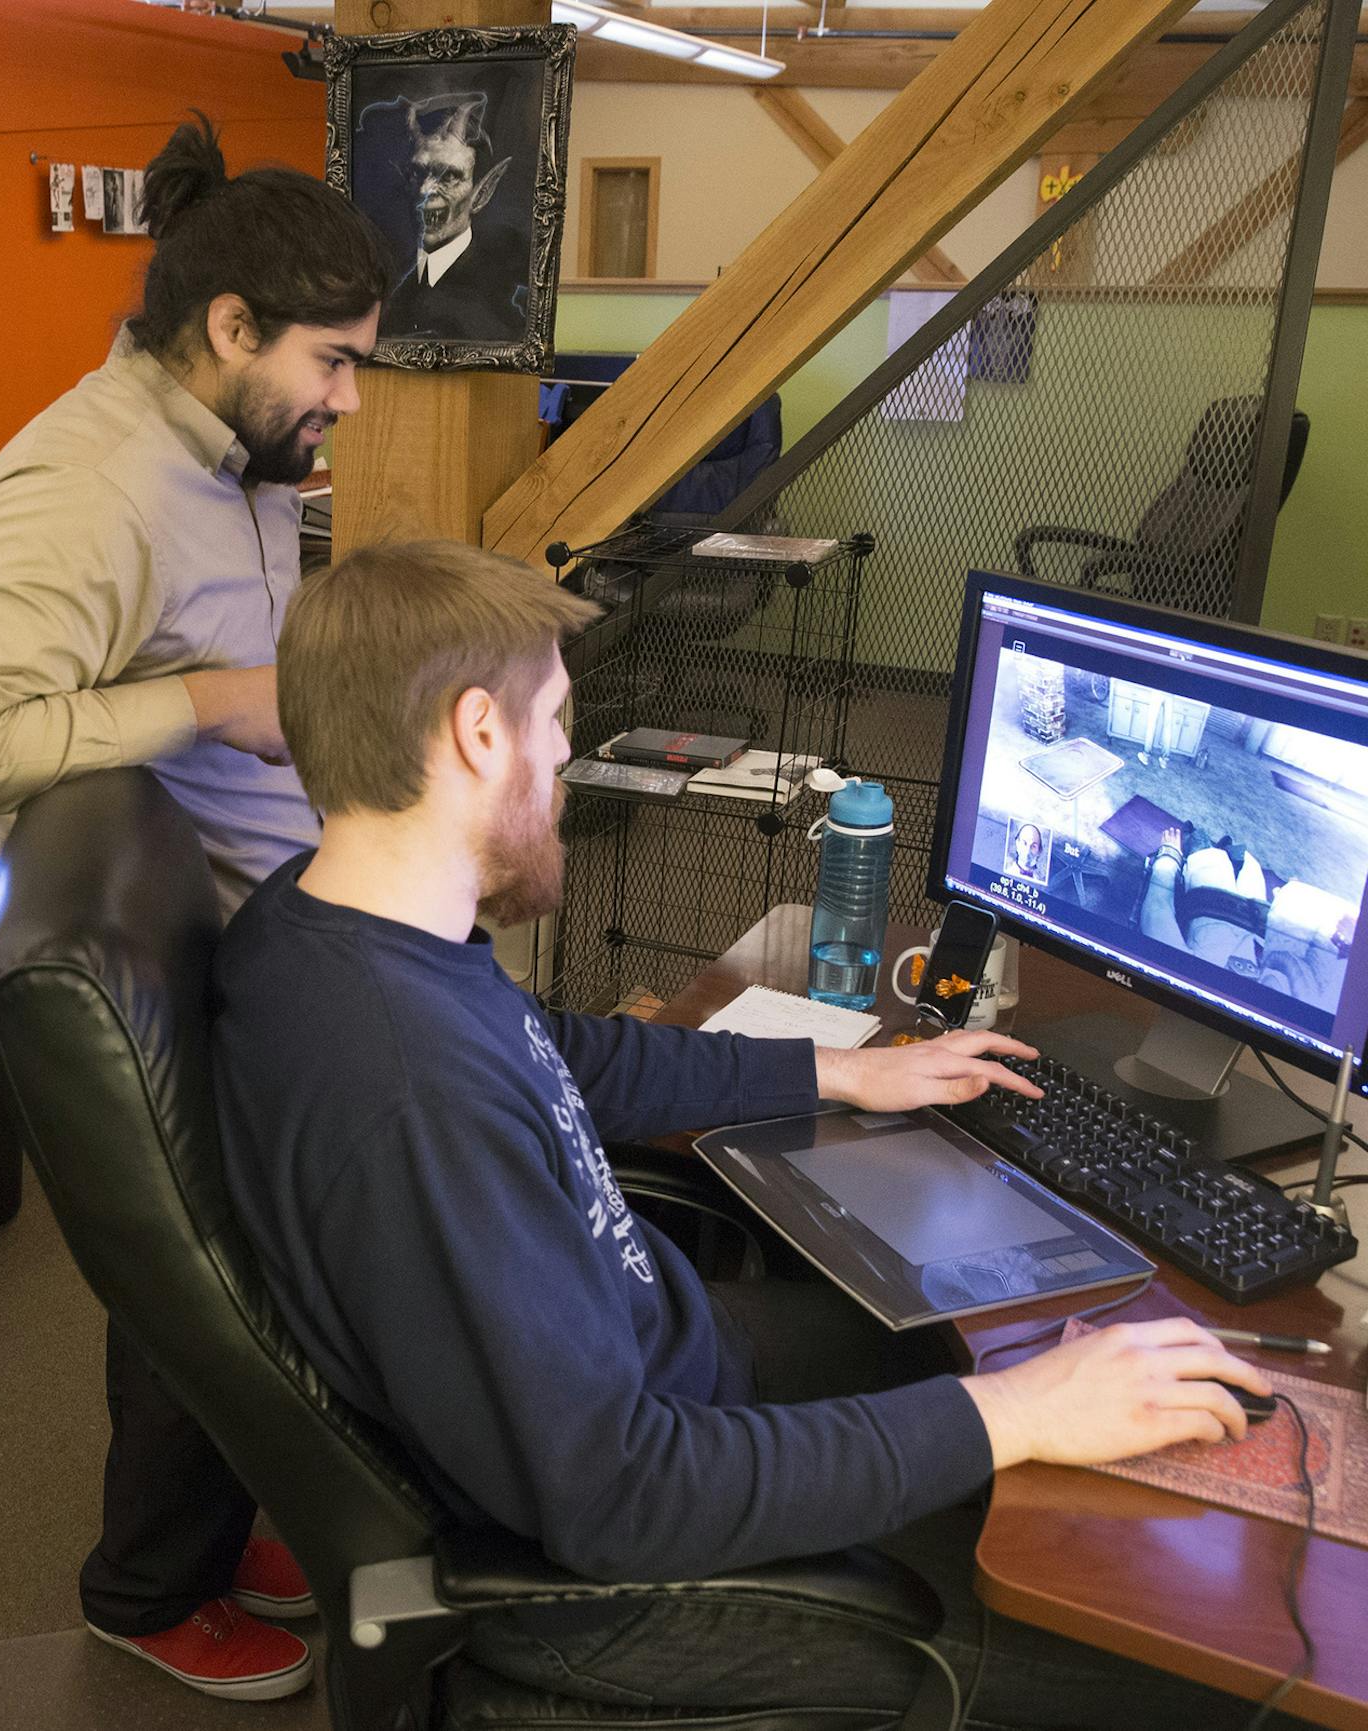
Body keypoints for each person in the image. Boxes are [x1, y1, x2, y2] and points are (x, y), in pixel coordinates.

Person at [211, 540, 1294, 1729]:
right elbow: (618, 1495)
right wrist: (1020, 1414)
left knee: (991, 1342)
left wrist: (838, 1071)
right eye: (560, 717)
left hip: (661, 1373)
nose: (568, 754)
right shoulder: (409, 1096)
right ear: (479, 732)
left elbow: (559, 1057)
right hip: (623, 1587)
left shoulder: (328, 927)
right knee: (1214, 1681)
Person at [0, 115, 391, 1699]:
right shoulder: (84, 484)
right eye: (333, 361)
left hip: (267, 902)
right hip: (185, 948)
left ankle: (231, 1507)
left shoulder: (232, 445)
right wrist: (201, 698)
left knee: (280, 1261)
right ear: (229, 330)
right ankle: (144, 1588)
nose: (350, 399)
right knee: (211, 1275)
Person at [376, 91, 527, 343]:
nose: (425, 190)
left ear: (482, 192)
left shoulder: (499, 304)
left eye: (448, 177)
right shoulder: (394, 285)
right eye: (417, 172)